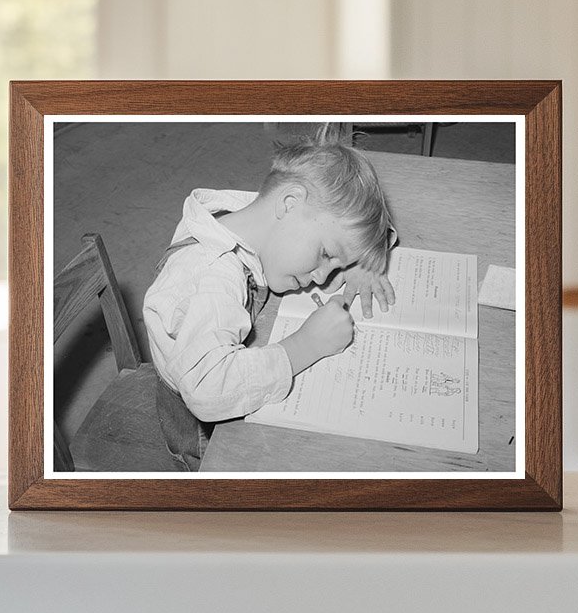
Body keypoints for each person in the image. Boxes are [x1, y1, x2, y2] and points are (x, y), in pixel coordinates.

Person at [142, 131, 396, 471]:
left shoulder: (250, 213)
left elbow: (361, 218)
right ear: (289, 203)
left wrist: (363, 261)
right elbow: (207, 390)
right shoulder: (210, 280)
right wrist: (304, 347)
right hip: (205, 435)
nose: (323, 277)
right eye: (325, 254)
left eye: (336, 265)